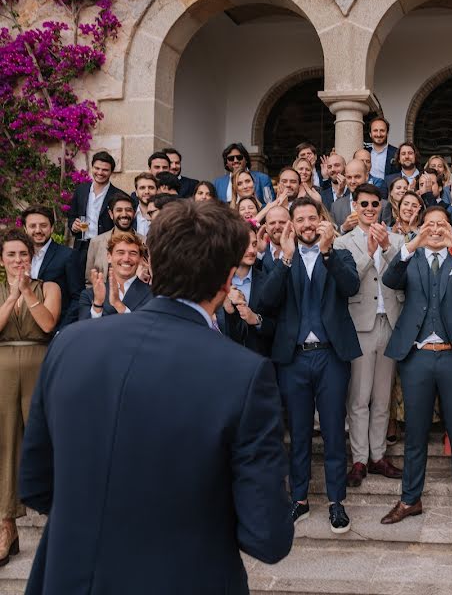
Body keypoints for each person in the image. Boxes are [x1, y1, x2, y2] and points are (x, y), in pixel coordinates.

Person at [19, 200, 294, 592]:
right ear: (228, 279)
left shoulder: (71, 345)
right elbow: (267, 535)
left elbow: (36, 486)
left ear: (155, 265)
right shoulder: (243, 373)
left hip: (72, 577)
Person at [378, 206, 452, 525]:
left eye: (441, 224)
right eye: (430, 225)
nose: (436, 229)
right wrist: (413, 243)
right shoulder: (410, 258)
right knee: (415, 431)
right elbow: (390, 278)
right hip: (418, 356)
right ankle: (410, 499)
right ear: (421, 227)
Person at [257, 196, 361, 532]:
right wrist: (286, 258)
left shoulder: (340, 254)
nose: (306, 225)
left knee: (332, 430)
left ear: (321, 220)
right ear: (291, 224)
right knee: (299, 432)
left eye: (311, 218)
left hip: (331, 355)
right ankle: (298, 499)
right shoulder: (280, 260)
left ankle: (336, 502)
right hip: (294, 358)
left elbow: (351, 286)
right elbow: (266, 302)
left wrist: (328, 253)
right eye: (299, 219)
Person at [333, 184, 404, 487]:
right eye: (364, 203)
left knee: (382, 396)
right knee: (359, 397)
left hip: (390, 320)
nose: (370, 208)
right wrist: (369, 254)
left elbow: (403, 276)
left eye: (375, 203)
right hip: (359, 322)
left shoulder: (398, 239)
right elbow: (346, 281)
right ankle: (359, 459)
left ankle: (378, 456)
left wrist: (386, 248)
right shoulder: (343, 243)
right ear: (355, 205)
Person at [0, 229, 61, 567]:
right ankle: (6, 525)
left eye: (23, 254)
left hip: (39, 364)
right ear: (2, 259)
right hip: (3, 367)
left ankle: (57, 516)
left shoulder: (48, 287)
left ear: (32, 256)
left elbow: (48, 324)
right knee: (4, 443)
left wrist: (27, 293)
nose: (18, 260)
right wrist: (11, 297)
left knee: (44, 439)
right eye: (11, 255)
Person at [68, 151, 129, 276]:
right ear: (92, 167)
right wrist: (73, 225)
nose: (100, 173)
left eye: (105, 170)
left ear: (111, 172)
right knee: (79, 284)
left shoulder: (119, 195)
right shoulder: (81, 190)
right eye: (97, 168)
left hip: (106, 247)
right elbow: (72, 216)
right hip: (82, 247)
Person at [218, 225, 273, 356]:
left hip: (258, 360)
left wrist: (256, 319)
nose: (251, 250)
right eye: (244, 245)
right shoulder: (216, 282)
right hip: (223, 359)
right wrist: (226, 305)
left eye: (254, 244)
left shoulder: (267, 280)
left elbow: (277, 325)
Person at [20, 206, 79, 327]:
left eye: (43, 225)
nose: (38, 230)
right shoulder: (19, 257)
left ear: (51, 228)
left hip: (54, 329)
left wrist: (62, 331)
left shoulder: (68, 255)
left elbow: (77, 298)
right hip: (24, 329)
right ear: (25, 229)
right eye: (32, 226)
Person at [78, 232, 153, 320]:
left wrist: (118, 304)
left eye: (133, 253)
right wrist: (98, 304)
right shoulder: (89, 295)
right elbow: (85, 330)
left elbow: (149, 328)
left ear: (140, 259)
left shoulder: (152, 294)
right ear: (109, 257)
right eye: (120, 253)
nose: (126, 259)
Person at [83, 193, 139, 283]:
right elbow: (89, 280)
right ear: (111, 214)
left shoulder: (145, 241)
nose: (124, 214)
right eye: (119, 210)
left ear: (134, 213)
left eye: (128, 210)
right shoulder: (96, 242)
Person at [367, 116, 399, 181]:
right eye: (375, 130)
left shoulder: (396, 153)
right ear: (370, 134)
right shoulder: (365, 152)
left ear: (387, 133)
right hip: (367, 189)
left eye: (382, 131)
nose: (379, 134)